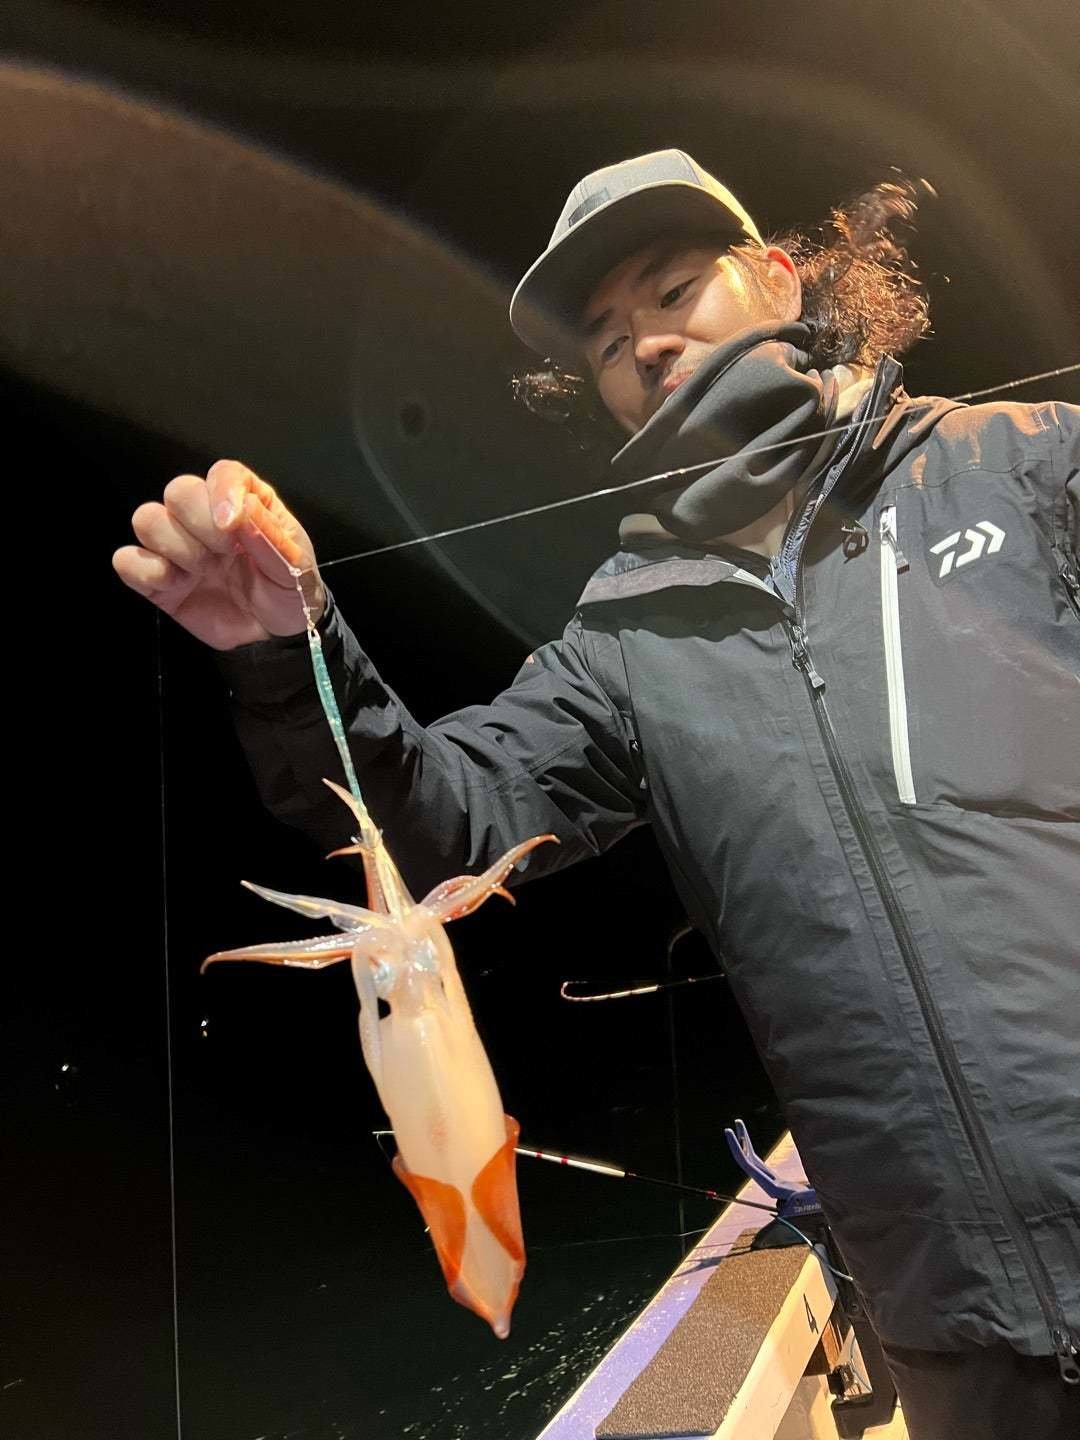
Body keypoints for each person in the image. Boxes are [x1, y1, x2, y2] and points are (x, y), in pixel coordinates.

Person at [114, 149, 1079, 1436]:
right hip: (949, 1322)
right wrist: (291, 659)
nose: (648, 343)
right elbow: (443, 820)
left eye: (674, 290)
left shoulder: (1024, 465)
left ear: (779, 278)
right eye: (612, 342)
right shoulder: (627, 642)